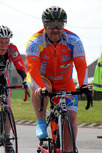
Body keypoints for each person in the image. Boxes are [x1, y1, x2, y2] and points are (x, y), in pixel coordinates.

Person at [25, 6, 90, 152]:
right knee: (44, 88)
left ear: (64, 26)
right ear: (44, 26)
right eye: (51, 26)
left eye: (59, 25)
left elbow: (81, 65)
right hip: (41, 78)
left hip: (65, 82)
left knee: (72, 117)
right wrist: (40, 88)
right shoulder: (35, 42)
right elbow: (33, 68)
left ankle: (68, 150)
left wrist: (84, 85)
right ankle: (41, 122)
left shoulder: (74, 40)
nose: (55, 29)